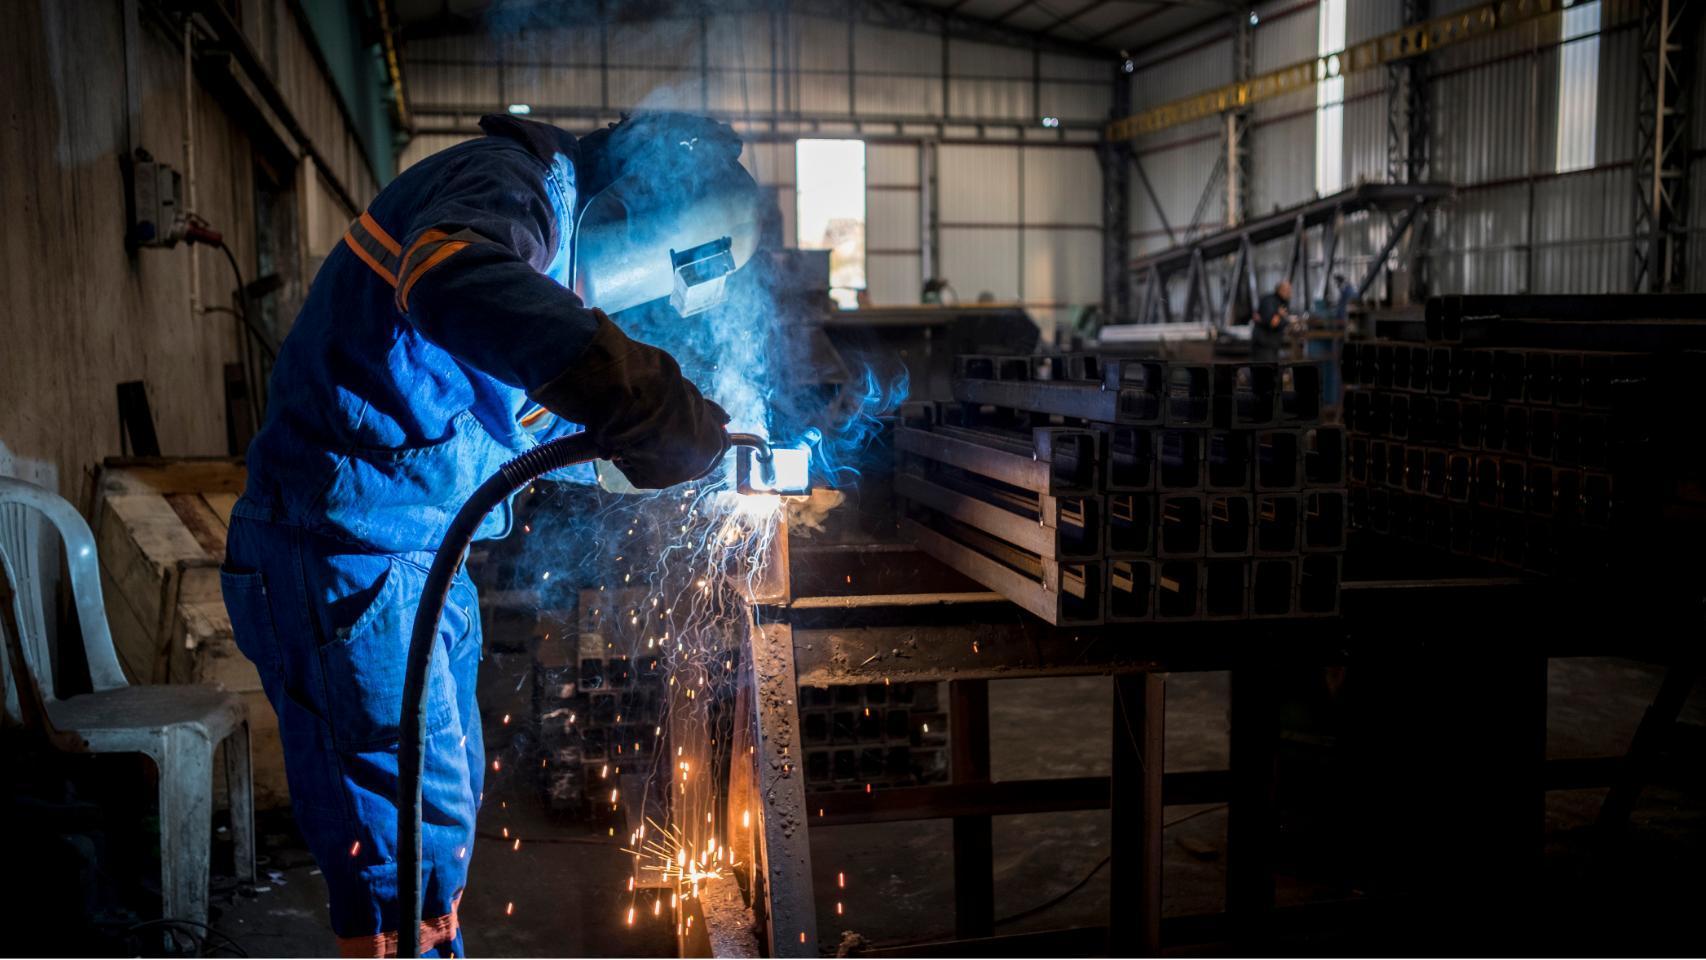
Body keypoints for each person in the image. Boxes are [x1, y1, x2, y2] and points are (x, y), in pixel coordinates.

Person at [220, 113, 751, 957]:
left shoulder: (545, 249)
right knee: (404, 857)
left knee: (444, 818)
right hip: (348, 554)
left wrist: (680, 440)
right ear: (640, 210)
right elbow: (449, 276)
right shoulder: (519, 187)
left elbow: (521, 420)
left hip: (420, 553)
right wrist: (626, 389)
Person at [1252, 278, 1292, 361]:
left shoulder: (1281, 302)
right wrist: (1280, 315)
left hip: (1272, 345)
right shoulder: (1270, 301)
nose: (1290, 293)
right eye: (1288, 290)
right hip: (1264, 346)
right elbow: (1272, 322)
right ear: (1280, 290)